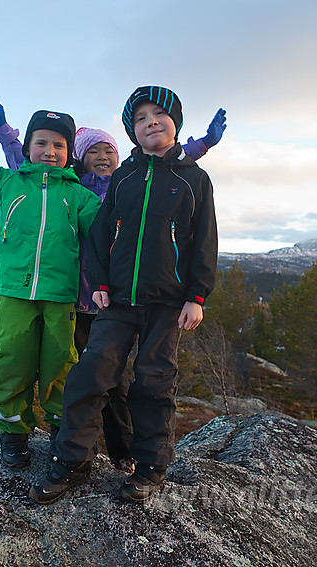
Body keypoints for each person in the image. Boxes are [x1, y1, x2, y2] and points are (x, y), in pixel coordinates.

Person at [0, 100, 227, 475]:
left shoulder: (125, 182)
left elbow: (165, 162)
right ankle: (65, 444)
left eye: (108, 149)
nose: (104, 156)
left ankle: (123, 451)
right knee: (79, 375)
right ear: (80, 158)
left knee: (118, 385)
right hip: (76, 299)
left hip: (117, 298)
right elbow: (24, 162)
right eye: (93, 151)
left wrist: (200, 145)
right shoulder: (73, 187)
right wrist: (3, 131)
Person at [29, 85, 218, 504]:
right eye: (140, 118)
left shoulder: (194, 180)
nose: (151, 122)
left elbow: (205, 241)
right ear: (132, 131)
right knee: (91, 373)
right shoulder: (123, 178)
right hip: (116, 301)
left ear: (176, 123)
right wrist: (97, 283)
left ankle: (150, 467)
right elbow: (98, 236)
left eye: (159, 115)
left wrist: (197, 296)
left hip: (168, 303)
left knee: (154, 381)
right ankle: (72, 460)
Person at [0, 68, 101, 469]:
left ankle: (58, 431)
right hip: (15, 291)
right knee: (11, 360)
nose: (50, 151)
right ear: (28, 146)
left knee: (58, 364)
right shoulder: (8, 184)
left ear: (70, 153)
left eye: (59, 145)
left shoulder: (78, 195)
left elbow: (105, 231)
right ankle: (13, 433)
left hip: (59, 294)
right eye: (41, 143)